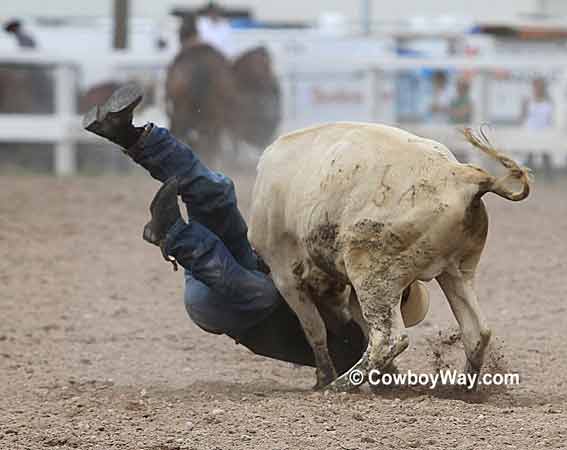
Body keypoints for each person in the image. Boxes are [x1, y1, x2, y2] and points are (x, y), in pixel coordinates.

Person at [82, 84, 365, 375]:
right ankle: (128, 135)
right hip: (236, 268)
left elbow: (333, 343)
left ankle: (173, 235)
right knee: (218, 192)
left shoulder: (356, 344)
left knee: (264, 295)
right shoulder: (345, 299)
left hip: (226, 304)